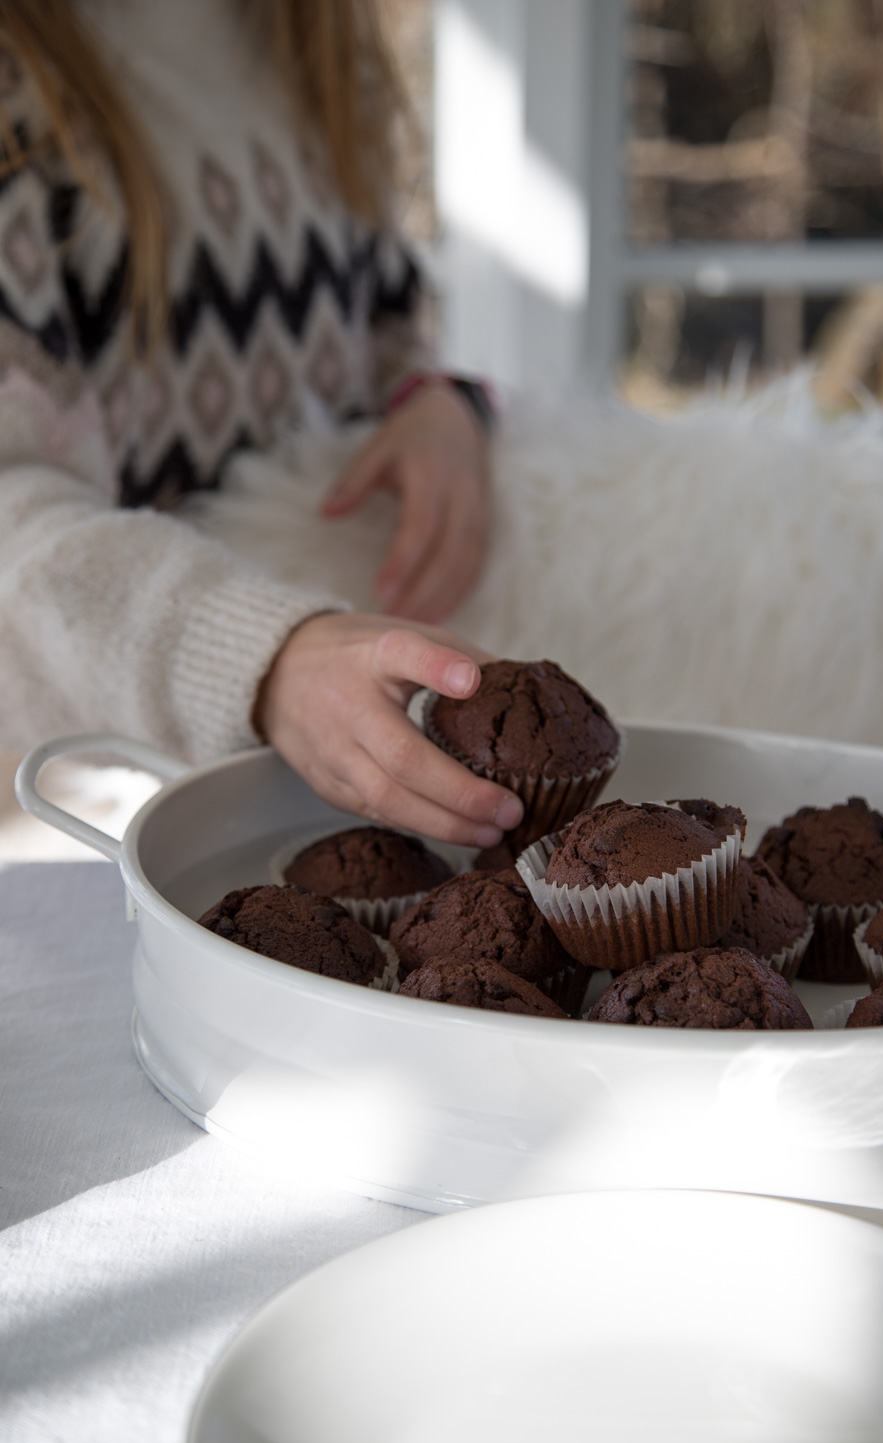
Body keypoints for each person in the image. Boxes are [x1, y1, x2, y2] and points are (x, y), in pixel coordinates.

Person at [0, 0, 524, 851]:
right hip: (89, 806)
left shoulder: (324, 45)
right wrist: (261, 658)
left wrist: (435, 401)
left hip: (327, 783)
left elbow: (382, 330)